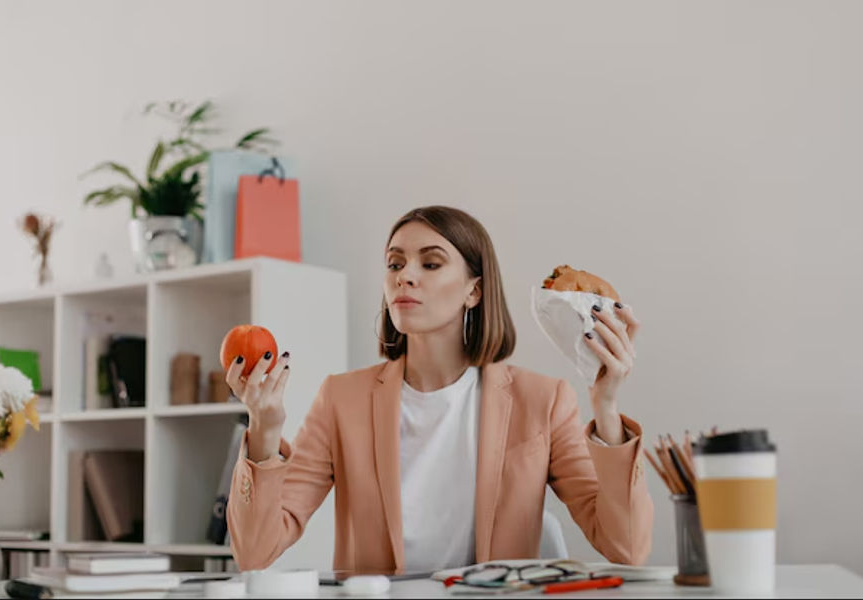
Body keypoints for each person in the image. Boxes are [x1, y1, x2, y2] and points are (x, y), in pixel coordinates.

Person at [225, 206, 653, 574]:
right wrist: (264, 426)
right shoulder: (341, 399)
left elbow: (626, 548)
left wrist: (607, 406)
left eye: (430, 264)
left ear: (474, 290)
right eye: (395, 264)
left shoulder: (543, 400)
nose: (405, 277)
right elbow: (255, 553)